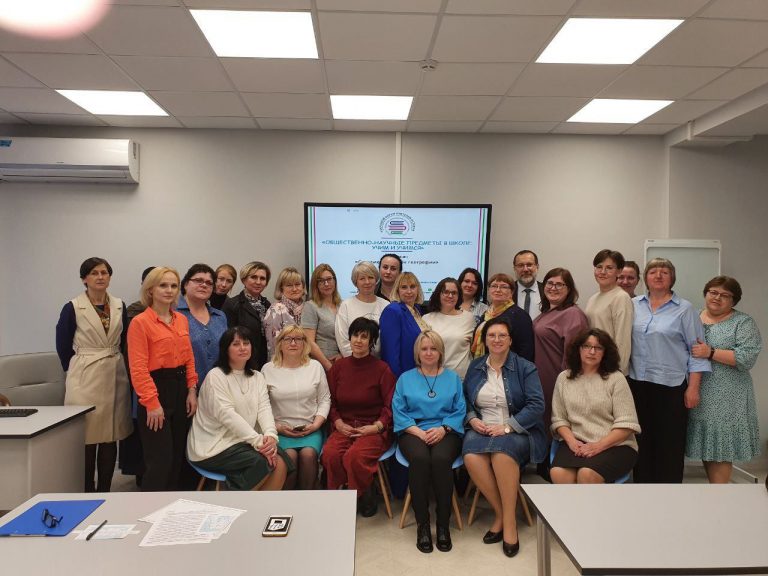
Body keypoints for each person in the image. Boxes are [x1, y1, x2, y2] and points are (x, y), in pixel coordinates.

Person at [463, 317, 546, 558]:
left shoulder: (525, 367)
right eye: (492, 335)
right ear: (485, 340)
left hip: (517, 429)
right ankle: (501, 513)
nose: (497, 340)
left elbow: (536, 405)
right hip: (482, 427)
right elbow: (466, 399)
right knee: (471, 457)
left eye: (502, 335)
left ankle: (508, 524)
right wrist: (472, 419)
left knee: (501, 454)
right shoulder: (475, 366)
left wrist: (507, 427)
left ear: (510, 340)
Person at [629, 258, 710, 483]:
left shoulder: (685, 309)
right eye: (653, 271)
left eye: (664, 272)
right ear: (645, 278)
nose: (658, 275)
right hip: (637, 384)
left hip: (671, 387)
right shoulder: (633, 305)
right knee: (641, 440)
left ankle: (670, 492)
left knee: (670, 443)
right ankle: (643, 490)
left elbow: (697, 351)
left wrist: (693, 388)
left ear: (672, 278)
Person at [55, 257, 132, 492]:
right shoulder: (72, 307)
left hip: (115, 373)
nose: (100, 277)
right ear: (84, 279)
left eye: (104, 272)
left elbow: (125, 340)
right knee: (86, 436)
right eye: (94, 273)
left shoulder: (119, 305)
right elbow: (62, 344)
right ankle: (86, 489)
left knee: (110, 434)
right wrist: (76, 368)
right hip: (84, 374)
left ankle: (105, 490)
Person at [187, 327, 290, 490]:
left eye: (246, 343)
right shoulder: (216, 376)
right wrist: (258, 442)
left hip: (243, 441)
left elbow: (264, 408)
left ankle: (258, 504)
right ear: (225, 349)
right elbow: (227, 416)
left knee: (282, 461)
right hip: (213, 445)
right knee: (263, 462)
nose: (242, 347)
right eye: (236, 344)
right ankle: (234, 501)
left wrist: (270, 435)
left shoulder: (257, 376)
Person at [392, 331, 466, 553]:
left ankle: (443, 524)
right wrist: (419, 432)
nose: (429, 353)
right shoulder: (405, 379)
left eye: (433, 348)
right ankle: (423, 524)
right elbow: (399, 411)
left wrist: (443, 429)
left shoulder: (453, 378)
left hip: (447, 430)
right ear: (417, 352)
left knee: (441, 459)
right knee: (421, 459)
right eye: (424, 349)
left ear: (440, 352)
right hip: (412, 430)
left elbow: (460, 409)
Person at [127, 267, 198, 491]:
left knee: (177, 458)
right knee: (160, 462)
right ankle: (150, 508)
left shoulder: (182, 320)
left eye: (173, 286)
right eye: (163, 285)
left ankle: (172, 507)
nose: (169, 290)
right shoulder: (140, 322)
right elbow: (138, 368)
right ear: (150, 290)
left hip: (180, 389)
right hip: (156, 391)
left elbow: (189, 358)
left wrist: (192, 390)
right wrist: (151, 403)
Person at [686, 276, 762, 483]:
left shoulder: (743, 322)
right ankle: (716, 492)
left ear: (733, 300)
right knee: (708, 444)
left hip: (729, 396)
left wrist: (710, 352)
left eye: (725, 295)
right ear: (706, 293)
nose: (717, 298)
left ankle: (720, 493)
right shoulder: (693, 317)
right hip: (698, 391)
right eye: (713, 292)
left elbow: (746, 358)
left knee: (721, 448)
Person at [322, 318, 395, 517]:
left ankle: (363, 493)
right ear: (350, 337)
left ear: (372, 342)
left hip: (372, 428)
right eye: (355, 335)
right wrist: (337, 422)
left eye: (364, 337)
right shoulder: (338, 368)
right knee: (330, 454)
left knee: (354, 457)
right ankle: (347, 492)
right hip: (344, 426)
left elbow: (390, 405)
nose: (358, 340)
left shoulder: (382, 369)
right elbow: (329, 401)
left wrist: (378, 426)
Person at [550, 328, 641, 484]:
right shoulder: (564, 378)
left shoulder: (616, 379)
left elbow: (627, 425)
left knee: (586, 474)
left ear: (605, 352)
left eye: (598, 348)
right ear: (578, 349)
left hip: (615, 445)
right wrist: (572, 442)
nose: (592, 351)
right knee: (559, 474)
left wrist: (598, 446)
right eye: (587, 346)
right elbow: (559, 420)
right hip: (577, 442)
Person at [262, 325, 330, 490]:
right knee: (290, 456)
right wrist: (276, 427)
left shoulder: (315, 367)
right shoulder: (268, 369)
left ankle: (307, 499)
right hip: (280, 431)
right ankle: (288, 501)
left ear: (304, 344)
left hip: (311, 429)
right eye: (288, 339)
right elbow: (262, 406)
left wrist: (316, 424)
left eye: (298, 339)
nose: (293, 343)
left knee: (308, 455)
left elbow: (324, 399)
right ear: (280, 343)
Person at [533, 268, 589, 436]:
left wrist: (564, 386)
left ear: (569, 289)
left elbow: (573, 356)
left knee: (556, 427)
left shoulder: (573, 314)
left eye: (559, 284)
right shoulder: (547, 311)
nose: (553, 288)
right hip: (540, 381)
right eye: (550, 283)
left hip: (557, 381)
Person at [119, 265, 155, 483]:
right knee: (140, 426)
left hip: (165, 379)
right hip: (139, 374)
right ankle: (140, 474)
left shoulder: (174, 314)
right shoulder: (135, 311)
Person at [177, 263, 227, 389]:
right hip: (182, 389)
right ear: (185, 284)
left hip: (217, 387)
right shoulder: (172, 314)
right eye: (198, 280)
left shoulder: (220, 316)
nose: (204, 285)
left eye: (209, 283)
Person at [585, 249, 633, 374]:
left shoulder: (621, 297)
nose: (602, 272)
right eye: (599, 267)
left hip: (610, 368)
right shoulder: (592, 299)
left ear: (619, 271)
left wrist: (617, 371)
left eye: (609, 268)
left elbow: (623, 341)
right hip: (593, 364)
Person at [471, 273, 534, 362]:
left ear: (512, 292)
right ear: (489, 290)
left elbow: (526, 350)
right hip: (486, 364)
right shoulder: (486, 314)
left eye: (503, 287)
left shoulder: (520, 316)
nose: (498, 290)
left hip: (510, 367)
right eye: (494, 286)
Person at [423, 277, 475, 378]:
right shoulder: (426, 319)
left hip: (461, 378)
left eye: (454, 293)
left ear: (459, 296)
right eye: (446, 292)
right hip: (434, 377)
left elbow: (474, 349)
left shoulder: (469, 318)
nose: (450, 296)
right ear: (438, 294)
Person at [222, 261, 271, 369]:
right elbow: (227, 340)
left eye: (262, 278)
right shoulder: (232, 304)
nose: (258, 282)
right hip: (243, 363)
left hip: (265, 363)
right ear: (244, 279)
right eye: (253, 277)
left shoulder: (268, 305)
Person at [380, 271, 428, 378]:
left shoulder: (417, 310)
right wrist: (399, 380)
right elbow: (390, 353)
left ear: (418, 289)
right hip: (404, 376)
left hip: (420, 372)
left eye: (412, 287)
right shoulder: (393, 311)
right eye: (404, 287)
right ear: (397, 290)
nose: (409, 291)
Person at [335, 261, 388, 357]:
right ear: (356, 282)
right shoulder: (346, 305)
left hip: (381, 361)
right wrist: (360, 360)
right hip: (354, 361)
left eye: (370, 277)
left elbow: (390, 338)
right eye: (362, 278)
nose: (367, 282)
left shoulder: (386, 305)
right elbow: (343, 341)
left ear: (376, 280)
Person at [301, 263, 342, 371]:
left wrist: (343, 354)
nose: (326, 284)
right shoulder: (310, 306)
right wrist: (328, 366)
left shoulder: (342, 305)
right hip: (322, 366)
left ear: (335, 280)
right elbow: (309, 342)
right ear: (316, 285)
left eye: (329, 279)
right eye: (321, 281)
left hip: (342, 362)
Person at [263, 267, 306, 358]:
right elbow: (274, 346)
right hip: (283, 362)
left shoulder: (307, 307)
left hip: (306, 360)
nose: (294, 289)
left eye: (297, 284)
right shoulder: (275, 310)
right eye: (289, 285)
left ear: (303, 286)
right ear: (281, 288)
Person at [512, 249, 543, 320]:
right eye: (520, 265)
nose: (525, 269)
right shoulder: (508, 290)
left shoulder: (547, 290)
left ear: (537, 267)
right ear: (514, 268)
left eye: (529, 265)